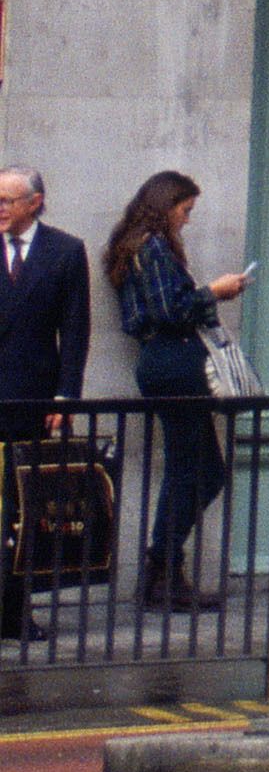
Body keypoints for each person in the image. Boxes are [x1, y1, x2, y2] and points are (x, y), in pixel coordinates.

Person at [103, 174, 245, 613]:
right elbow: (170, 311)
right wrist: (214, 293)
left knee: (196, 469)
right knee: (196, 470)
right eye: (185, 211)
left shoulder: (138, 245)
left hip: (164, 364)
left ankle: (162, 570)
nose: (186, 220)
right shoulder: (152, 246)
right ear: (166, 205)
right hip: (172, 362)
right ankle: (161, 572)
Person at [0, 169, 93, 640]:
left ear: (34, 202)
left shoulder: (65, 251)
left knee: (21, 509)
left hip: (31, 397)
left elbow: (75, 331)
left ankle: (14, 613)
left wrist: (65, 396)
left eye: (7, 200)